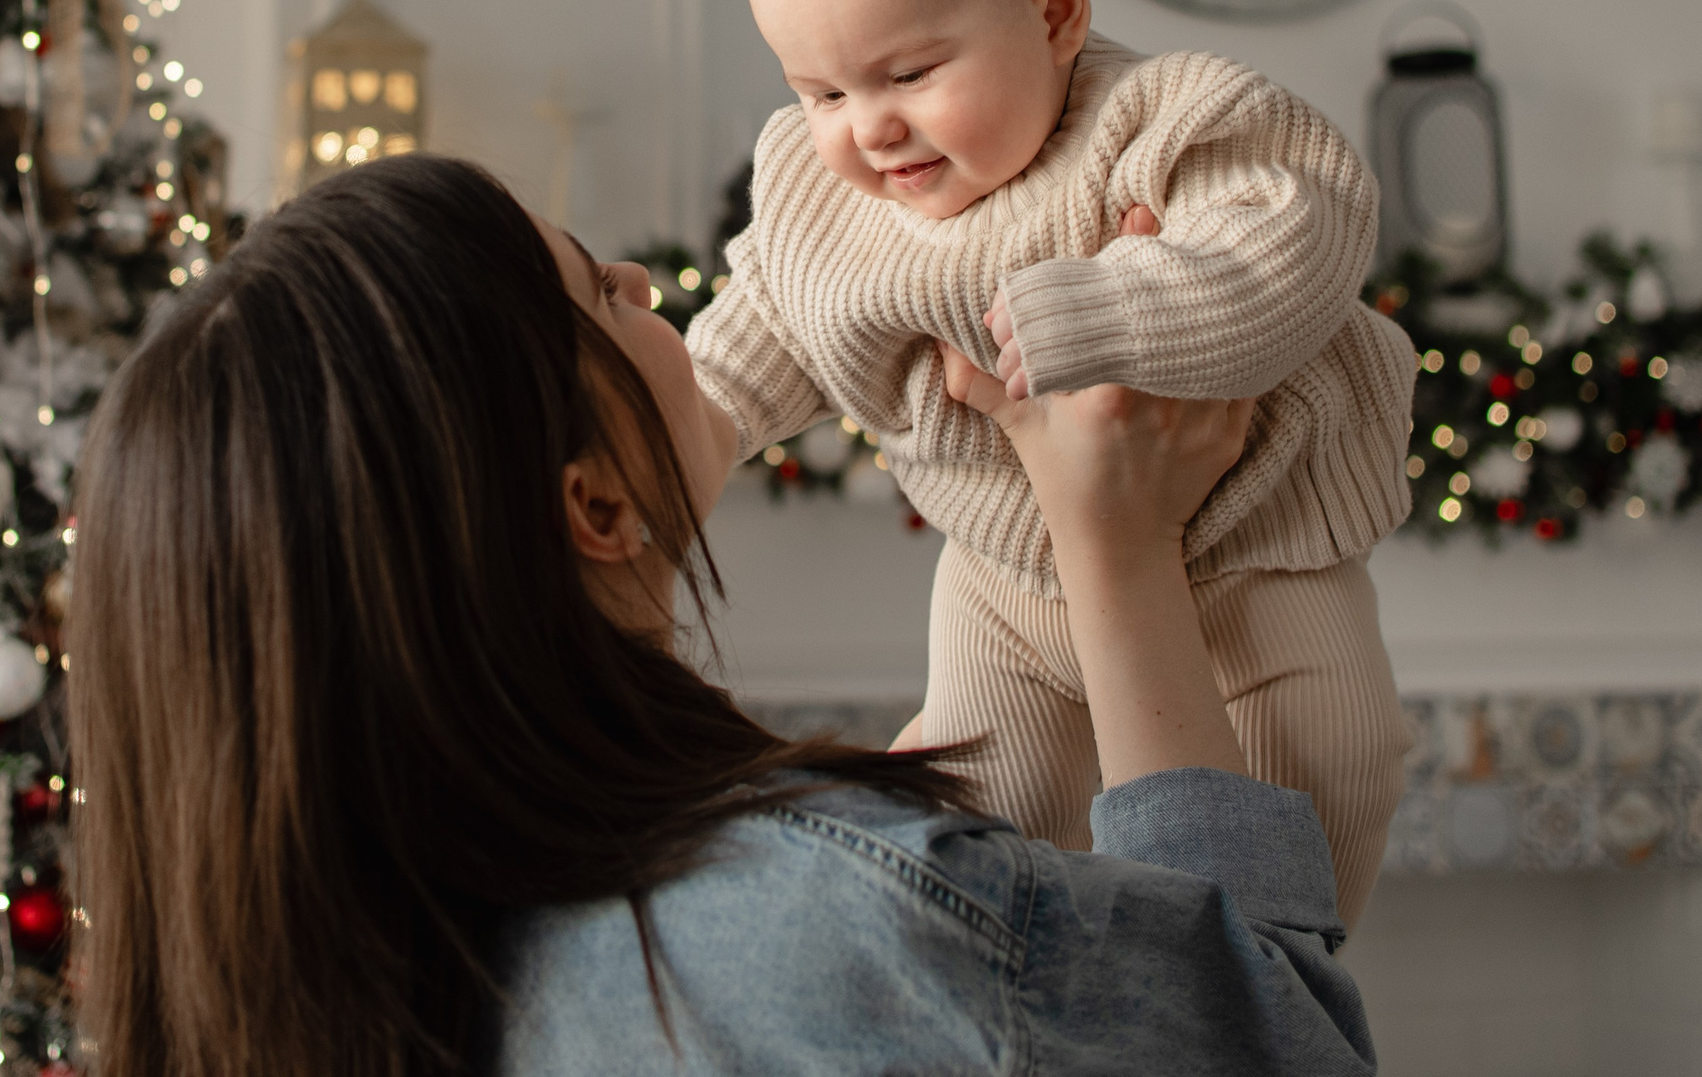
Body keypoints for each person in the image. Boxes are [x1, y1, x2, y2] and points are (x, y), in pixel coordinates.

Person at [72, 154, 1379, 1075]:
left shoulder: (386, 985)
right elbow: (1284, 1050)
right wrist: (1122, 546)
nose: (645, 281)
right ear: (593, 507)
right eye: (595, 291)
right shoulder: (836, 921)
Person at [685, 0, 1415, 922]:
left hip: (1252, 554)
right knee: (979, 819)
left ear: (1056, 11)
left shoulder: (1152, 119)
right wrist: (695, 420)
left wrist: (1117, 305)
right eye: (818, 92)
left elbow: (1304, 221)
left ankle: (1266, 997)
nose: (867, 130)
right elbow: (772, 318)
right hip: (1004, 579)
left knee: (1326, 767)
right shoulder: (826, 200)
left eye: (909, 71)